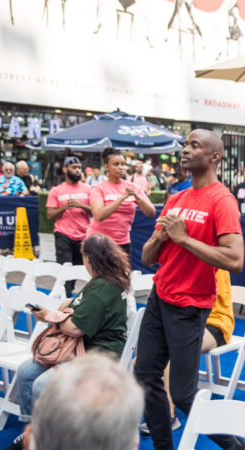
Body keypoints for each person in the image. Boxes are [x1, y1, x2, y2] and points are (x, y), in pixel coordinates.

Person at [136, 129, 245, 450]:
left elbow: (235, 259)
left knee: (183, 394)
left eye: (194, 145)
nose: (185, 150)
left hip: (190, 306)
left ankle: (236, 446)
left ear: (215, 157)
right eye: (185, 144)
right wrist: (161, 237)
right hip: (160, 297)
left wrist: (184, 238)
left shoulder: (222, 200)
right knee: (144, 376)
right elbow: (147, 257)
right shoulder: (176, 198)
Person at [14, 234, 130, 433]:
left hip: (98, 354)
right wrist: (70, 304)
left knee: (43, 384)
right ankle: (34, 430)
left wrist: (49, 316)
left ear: (89, 258)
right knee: (26, 372)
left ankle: (54, 437)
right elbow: (82, 308)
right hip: (79, 348)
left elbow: (75, 328)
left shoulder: (103, 286)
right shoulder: (104, 280)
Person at [138, 269, 234, 435]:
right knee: (144, 359)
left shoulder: (210, 259)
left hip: (216, 323)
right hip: (190, 319)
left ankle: (169, 416)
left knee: (170, 350)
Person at [24, 353, 144, 450]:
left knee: (37, 381)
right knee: (26, 373)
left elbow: (74, 328)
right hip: (74, 352)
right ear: (136, 445)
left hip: (83, 351)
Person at [87, 148, 156, 256]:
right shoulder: (98, 188)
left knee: (124, 273)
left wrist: (137, 196)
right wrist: (122, 198)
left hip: (123, 242)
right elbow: (98, 215)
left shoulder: (133, 188)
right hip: (99, 241)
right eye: (116, 164)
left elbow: (152, 213)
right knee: (103, 273)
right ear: (106, 167)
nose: (121, 167)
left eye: (122, 164)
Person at [46, 156, 92, 298]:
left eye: (79, 167)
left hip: (83, 236)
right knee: (64, 270)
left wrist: (81, 205)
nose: (78, 170)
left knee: (80, 270)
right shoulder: (56, 190)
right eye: (74, 167)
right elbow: (50, 215)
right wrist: (64, 208)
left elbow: (96, 212)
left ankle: (72, 297)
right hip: (63, 234)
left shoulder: (88, 189)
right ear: (65, 169)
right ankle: (63, 300)